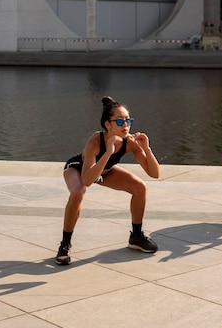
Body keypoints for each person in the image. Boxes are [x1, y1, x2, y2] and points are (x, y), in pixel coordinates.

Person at [56, 95, 160, 265]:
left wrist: (146, 149)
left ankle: (136, 236)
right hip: (79, 168)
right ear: (107, 124)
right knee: (78, 191)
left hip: (105, 171)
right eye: (120, 121)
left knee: (140, 187)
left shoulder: (130, 142)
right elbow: (88, 179)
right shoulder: (95, 140)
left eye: (128, 120)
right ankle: (65, 245)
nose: (125, 125)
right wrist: (108, 152)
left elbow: (154, 173)